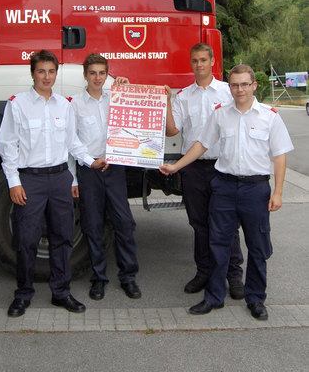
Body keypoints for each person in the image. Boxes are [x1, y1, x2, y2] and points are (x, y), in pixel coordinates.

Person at [160, 64, 294, 320]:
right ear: (229, 87)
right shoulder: (220, 114)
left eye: (245, 84)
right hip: (224, 187)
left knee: (257, 246)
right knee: (218, 244)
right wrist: (176, 166)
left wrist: (278, 192)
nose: (240, 89)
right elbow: (201, 144)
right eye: (235, 84)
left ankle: (256, 299)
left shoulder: (270, 116)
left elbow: (279, 156)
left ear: (254, 85)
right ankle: (214, 297)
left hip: (255, 189)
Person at [0, 49, 93, 317]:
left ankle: (61, 292)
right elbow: (7, 146)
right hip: (31, 180)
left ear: (56, 74)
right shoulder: (17, 104)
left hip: (60, 178)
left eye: (51, 71)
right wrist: (14, 182)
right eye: (41, 71)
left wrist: (85, 165)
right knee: (26, 239)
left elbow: (72, 143)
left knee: (63, 238)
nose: (46, 77)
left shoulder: (64, 105)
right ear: (32, 74)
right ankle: (23, 294)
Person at [165, 43, 244, 298]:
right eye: (195, 60)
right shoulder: (184, 96)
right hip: (193, 169)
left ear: (212, 62)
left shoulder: (227, 92)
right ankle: (204, 272)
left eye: (203, 59)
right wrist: (167, 102)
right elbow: (172, 130)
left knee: (227, 224)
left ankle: (234, 276)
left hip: (223, 167)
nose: (199, 64)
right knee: (199, 224)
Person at [70, 53, 141, 301]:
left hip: (114, 169)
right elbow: (72, 141)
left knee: (124, 223)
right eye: (93, 73)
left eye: (102, 73)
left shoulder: (116, 98)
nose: (97, 78)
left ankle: (128, 277)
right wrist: (82, 170)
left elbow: (135, 121)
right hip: (90, 170)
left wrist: (128, 90)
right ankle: (98, 278)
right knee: (93, 225)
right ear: (85, 75)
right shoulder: (75, 104)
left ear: (107, 74)